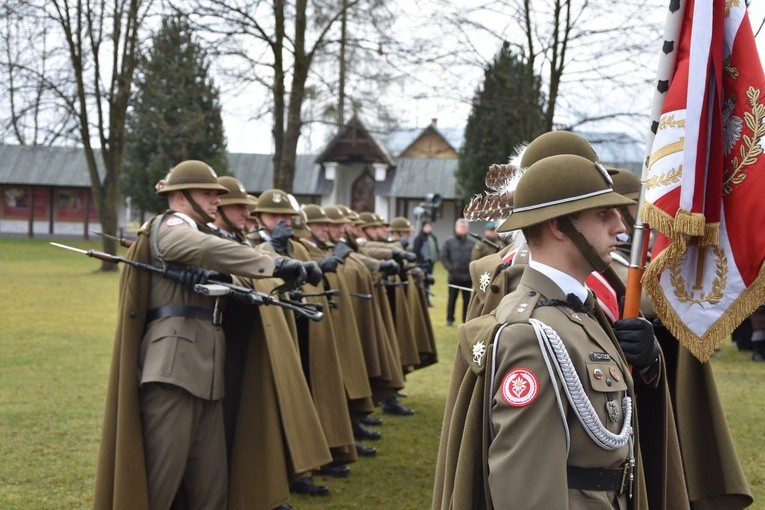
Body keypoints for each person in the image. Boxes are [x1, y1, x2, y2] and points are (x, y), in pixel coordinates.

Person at [433, 154, 666, 509]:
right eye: (603, 214)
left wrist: (650, 362)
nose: (621, 227)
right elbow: (527, 486)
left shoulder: (577, 311)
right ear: (559, 226)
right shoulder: (531, 334)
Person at [92, 160, 308, 509]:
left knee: (211, 490)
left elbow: (223, 263)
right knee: (158, 486)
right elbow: (204, 250)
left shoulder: (206, 235)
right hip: (174, 369)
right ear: (179, 196)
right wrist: (274, 263)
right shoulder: (171, 225)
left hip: (208, 371)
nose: (215, 201)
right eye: (208, 193)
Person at [441, 218, 474, 325]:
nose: (463, 228)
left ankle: (466, 320)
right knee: (452, 299)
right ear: (456, 228)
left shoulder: (472, 243)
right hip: (454, 277)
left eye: (465, 227)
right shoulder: (448, 241)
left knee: (467, 301)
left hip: (467, 277)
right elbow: (443, 256)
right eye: (461, 226)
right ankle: (449, 319)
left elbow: (476, 258)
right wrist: (450, 268)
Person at [412, 220, 438, 306]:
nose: (428, 228)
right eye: (426, 226)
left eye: (429, 226)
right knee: (422, 283)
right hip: (422, 265)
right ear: (423, 227)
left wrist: (435, 258)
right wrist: (423, 260)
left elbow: (436, 249)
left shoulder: (433, 238)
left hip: (431, 265)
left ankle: (427, 301)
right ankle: (422, 301)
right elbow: (416, 251)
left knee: (428, 283)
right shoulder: (419, 238)